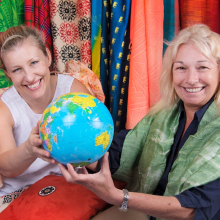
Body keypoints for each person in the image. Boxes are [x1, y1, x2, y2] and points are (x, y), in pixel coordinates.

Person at [58, 24, 220, 220]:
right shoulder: (161, 116)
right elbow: (117, 158)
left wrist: (118, 197)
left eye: (203, 67)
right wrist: (64, 146)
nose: (191, 79)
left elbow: (192, 209)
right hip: (148, 212)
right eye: (181, 68)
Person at [0, 25, 99, 199]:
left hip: (66, 186)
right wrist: (29, 149)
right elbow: (7, 169)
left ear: (47, 57)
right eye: (17, 70)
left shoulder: (71, 90)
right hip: (19, 194)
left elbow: (97, 147)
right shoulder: (4, 107)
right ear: (7, 74)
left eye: (34, 62)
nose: (29, 77)